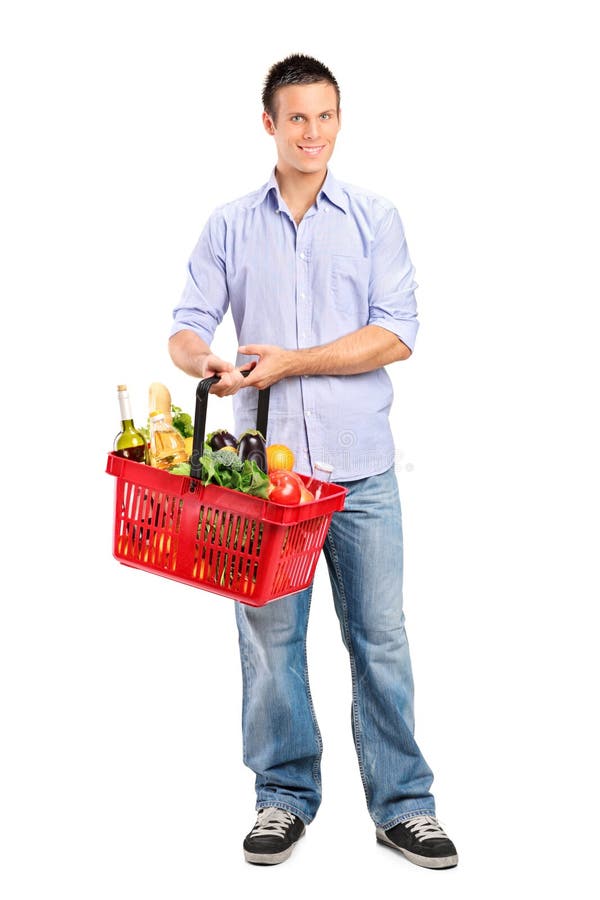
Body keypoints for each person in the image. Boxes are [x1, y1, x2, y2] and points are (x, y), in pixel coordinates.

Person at [169, 53, 458, 870]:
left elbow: (395, 332)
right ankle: (281, 798)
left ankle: (405, 806)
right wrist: (205, 362)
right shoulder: (230, 224)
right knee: (269, 639)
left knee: (381, 638)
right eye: (297, 117)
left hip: (359, 472)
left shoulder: (375, 217)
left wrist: (290, 361)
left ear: (339, 119)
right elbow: (188, 322)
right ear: (270, 123)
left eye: (326, 116)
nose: (313, 133)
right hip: (261, 484)